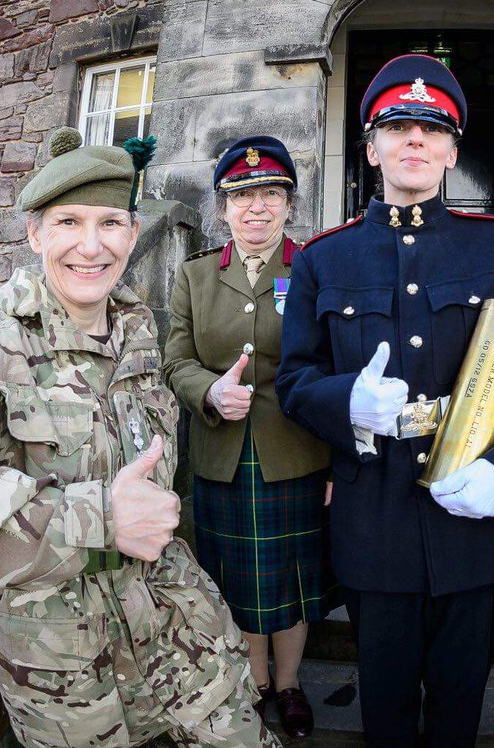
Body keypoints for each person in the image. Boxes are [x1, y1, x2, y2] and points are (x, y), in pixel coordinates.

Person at [0, 127, 278, 748]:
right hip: (70, 675)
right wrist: (96, 519)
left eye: (111, 223)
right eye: (68, 222)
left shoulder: (140, 338)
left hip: (181, 640)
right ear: (35, 234)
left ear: (133, 234)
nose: (91, 246)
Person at [276, 54, 494, 747]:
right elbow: (293, 379)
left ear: (452, 150)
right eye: (398, 126)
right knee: (386, 703)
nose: (415, 140)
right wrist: (348, 402)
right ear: (371, 146)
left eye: (431, 130)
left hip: (475, 518)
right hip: (373, 523)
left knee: (461, 701)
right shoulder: (322, 259)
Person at [163, 135, 334, 739]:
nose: (256, 207)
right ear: (222, 208)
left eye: (270, 193)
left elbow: (335, 365)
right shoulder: (195, 275)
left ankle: (288, 685)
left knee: (292, 578)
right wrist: (208, 392)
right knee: (235, 580)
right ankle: (254, 680)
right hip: (222, 457)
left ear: (289, 203)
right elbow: (175, 361)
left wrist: (339, 463)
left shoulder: (313, 267)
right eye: (241, 196)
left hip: (298, 453)